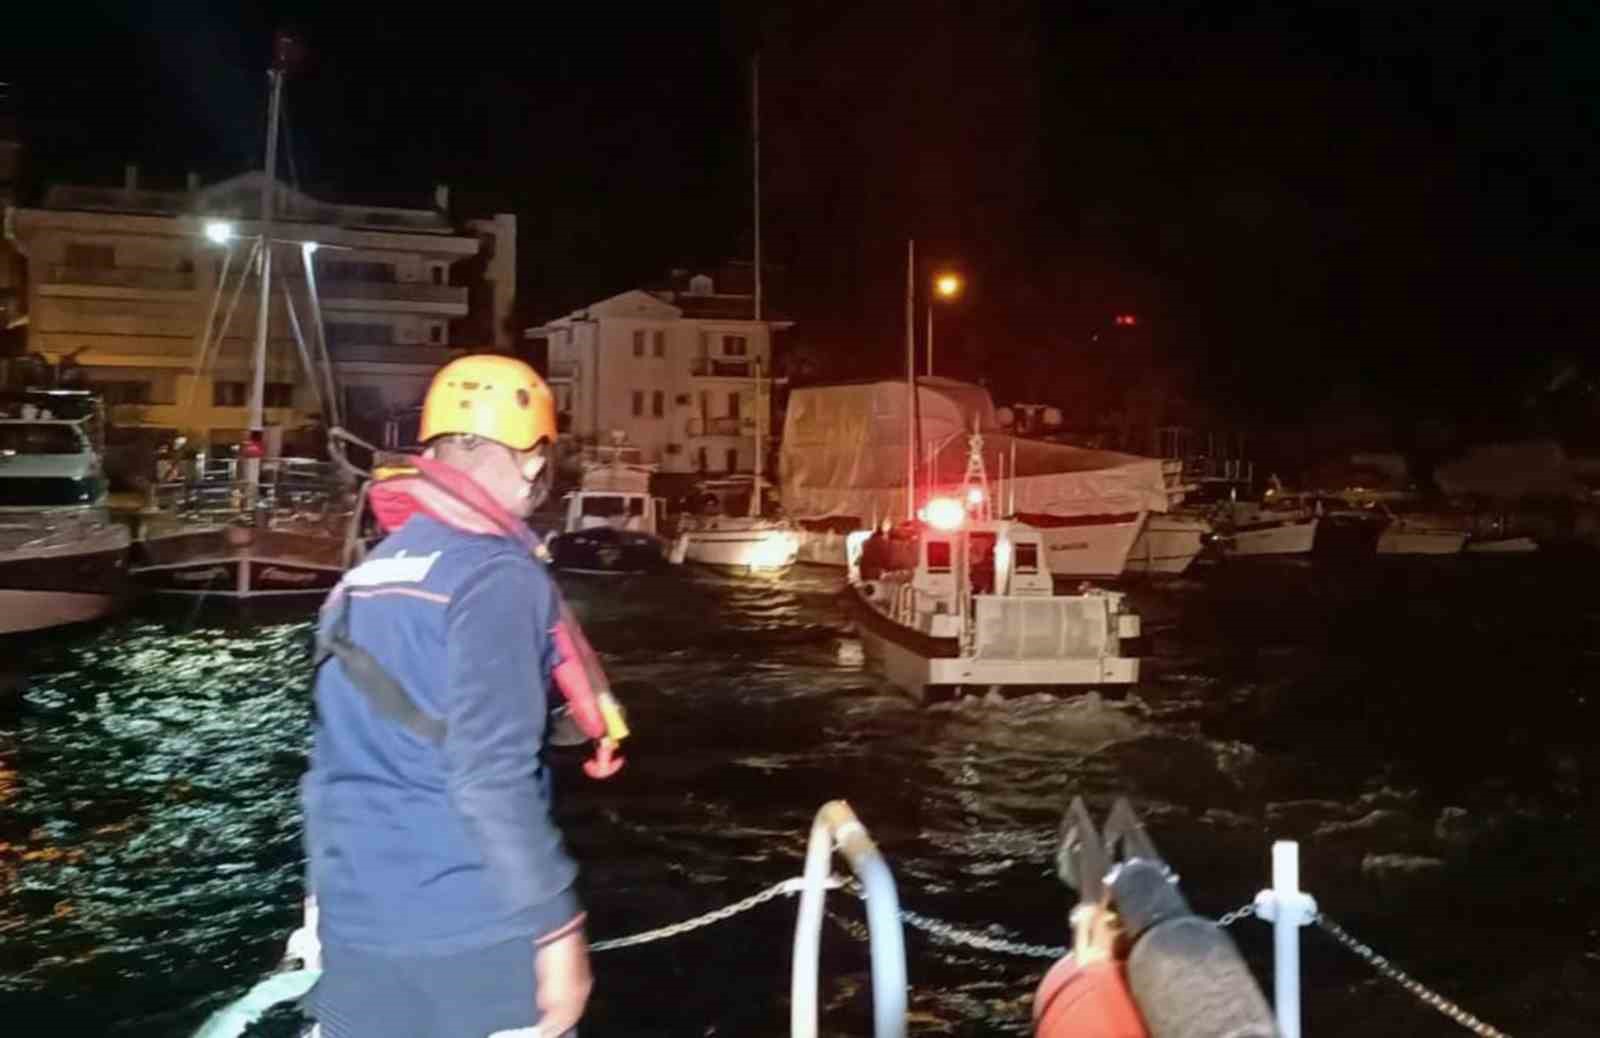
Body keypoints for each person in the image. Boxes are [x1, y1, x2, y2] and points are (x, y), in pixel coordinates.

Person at [300, 354, 592, 1038]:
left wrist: (318, 908)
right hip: (469, 936)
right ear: (531, 461)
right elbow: (491, 776)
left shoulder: (360, 580)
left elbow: (324, 770)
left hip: (355, 928)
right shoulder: (496, 577)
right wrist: (558, 928)